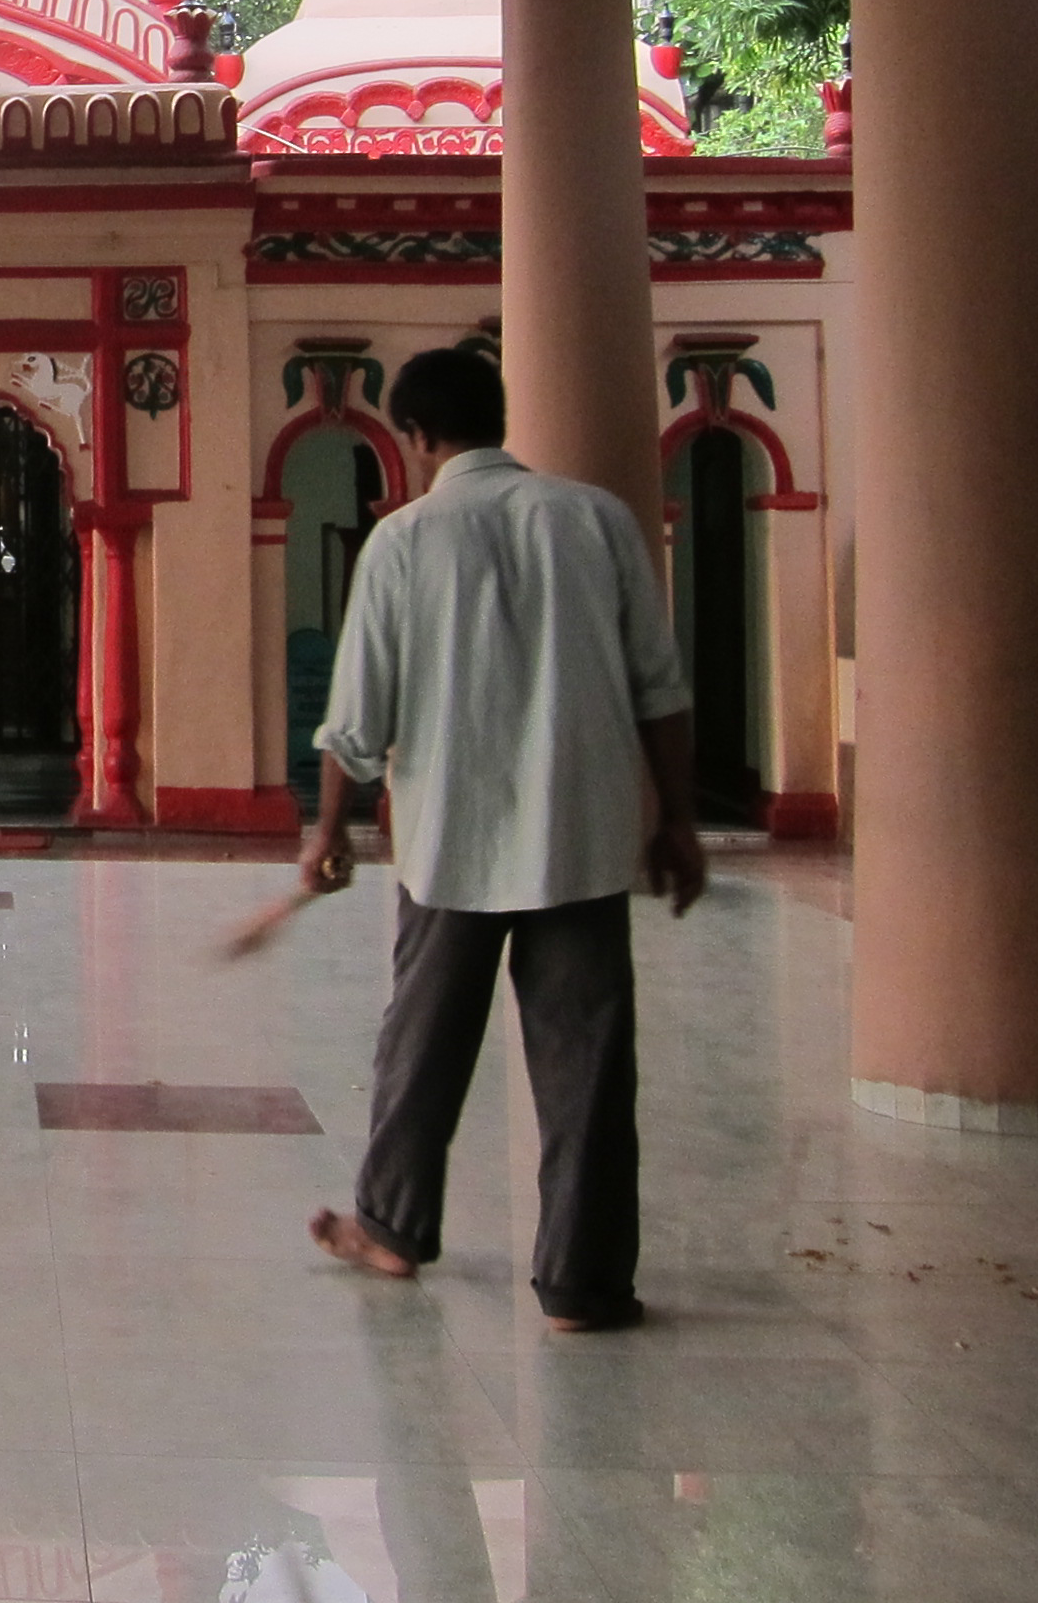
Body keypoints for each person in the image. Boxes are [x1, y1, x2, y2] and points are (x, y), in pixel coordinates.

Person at [292, 345, 704, 1335]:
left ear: (418, 436)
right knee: (588, 1068)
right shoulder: (598, 520)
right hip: (581, 838)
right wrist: (678, 821)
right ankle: (583, 1286)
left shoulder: (402, 541)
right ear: (498, 414)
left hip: (451, 842)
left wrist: (329, 832)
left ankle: (391, 1228)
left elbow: (356, 717)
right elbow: (661, 687)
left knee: (420, 1049)